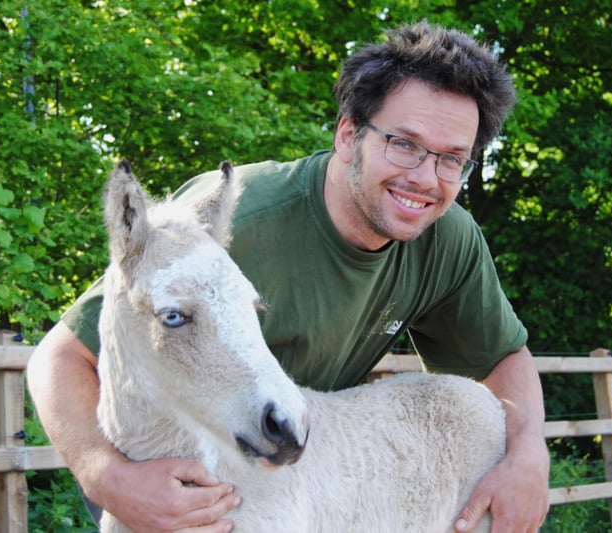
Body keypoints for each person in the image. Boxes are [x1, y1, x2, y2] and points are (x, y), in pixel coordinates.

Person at [27, 19, 550, 533]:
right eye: (405, 144)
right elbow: (60, 358)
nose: (425, 177)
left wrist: (529, 457)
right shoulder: (231, 223)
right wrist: (109, 479)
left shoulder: (446, 235)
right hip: (165, 473)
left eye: (452, 159)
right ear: (348, 135)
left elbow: (502, 359)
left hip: (301, 463)